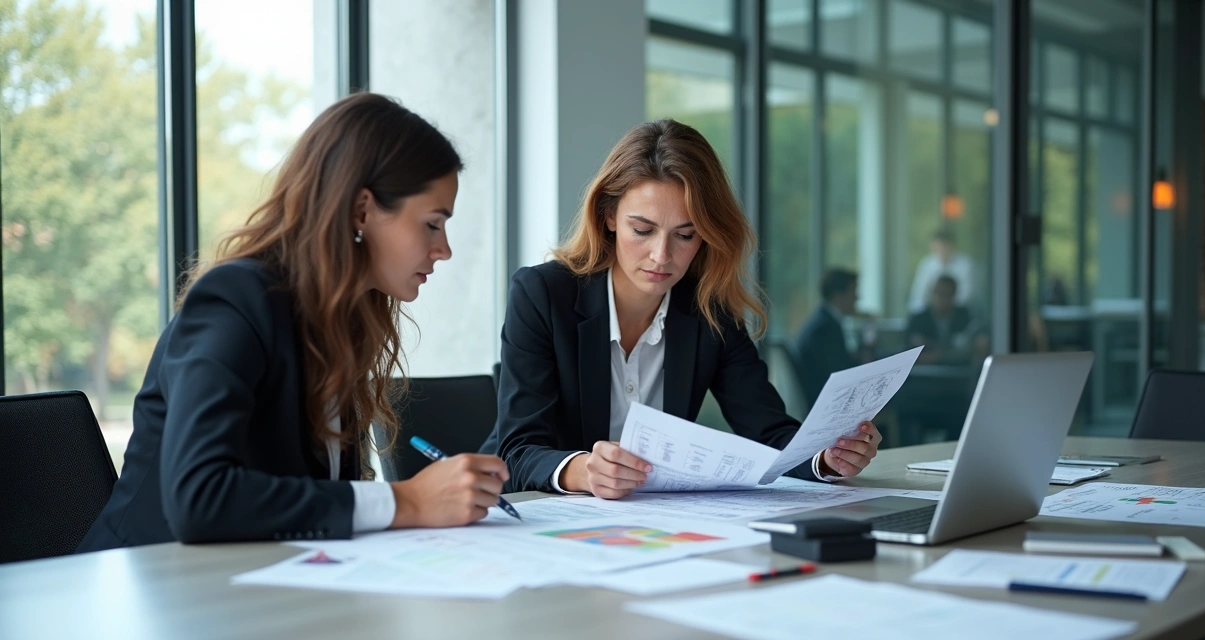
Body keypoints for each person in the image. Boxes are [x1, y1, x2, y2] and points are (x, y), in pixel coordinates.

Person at [78, 93, 510, 552]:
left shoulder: (344, 323)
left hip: (251, 589)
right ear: (362, 211)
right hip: (144, 596)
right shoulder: (234, 300)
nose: (444, 249)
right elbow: (199, 500)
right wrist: (404, 501)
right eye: (431, 224)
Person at [482, 119, 881, 499]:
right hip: (535, 516)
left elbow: (769, 431)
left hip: (651, 520)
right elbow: (517, 450)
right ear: (608, 217)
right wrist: (585, 470)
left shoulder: (711, 309)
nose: (662, 255)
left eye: (685, 235)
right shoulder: (541, 294)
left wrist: (825, 459)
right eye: (643, 230)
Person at [793, 269, 865, 405]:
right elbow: (839, 374)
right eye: (853, 292)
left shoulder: (823, 321)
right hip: (823, 403)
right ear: (838, 295)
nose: (857, 298)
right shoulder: (825, 328)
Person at [906, 275, 986, 365]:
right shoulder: (918, 320)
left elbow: (971, 347)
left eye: (946, 294)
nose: (941, 298)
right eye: (938, 293)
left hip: (958, 370)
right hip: (925, 372)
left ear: (954, 295)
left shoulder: (964, 316)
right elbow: (909, 351)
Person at [906, 227, 975, 314]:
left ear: (952, 245)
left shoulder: (966, 265)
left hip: (958, 313)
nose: (942, 249)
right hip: (931, 315)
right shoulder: (926, 265)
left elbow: (966, 296)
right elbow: (918, 295)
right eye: (938, 246)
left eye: (945, 246)